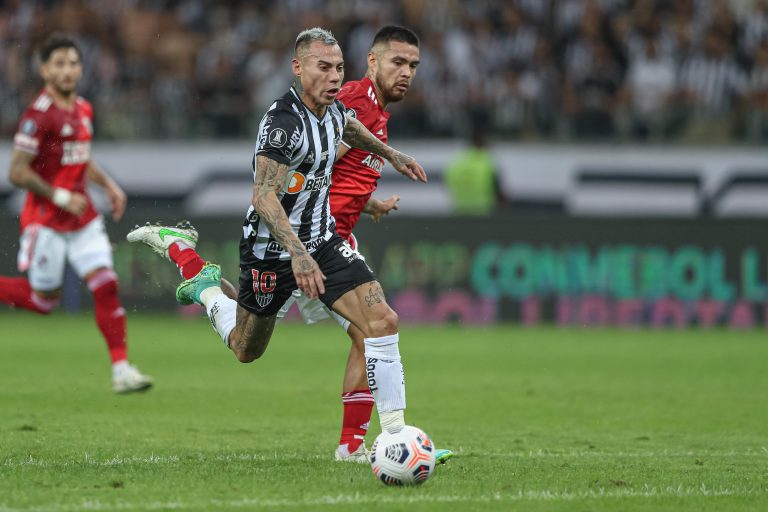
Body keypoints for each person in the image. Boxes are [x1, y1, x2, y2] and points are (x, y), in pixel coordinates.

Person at [127, 27, 435, 458]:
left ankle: (390, 439)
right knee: (245, 349)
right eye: (323, 67)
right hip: (271, 251)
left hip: (324, 240)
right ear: (298, 67)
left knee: (381, 322)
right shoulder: (282, 125)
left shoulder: (334, 110)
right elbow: (263, 196)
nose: (333, 77)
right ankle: (198, 276)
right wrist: (298, 255)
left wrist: (392, 155)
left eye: (338, 68)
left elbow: (348, 127)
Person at [0, 35, 152, 394]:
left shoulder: (83, 108)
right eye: (59, 64)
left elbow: (80, 159)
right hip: (46, 220)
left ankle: (121, 370)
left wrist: (108, 185)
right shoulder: (37, 117)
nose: (67, 71)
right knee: (43, 301)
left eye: (73, 63)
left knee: (106, 284)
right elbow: (16, 172)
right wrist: (59, 195)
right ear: (44, 70)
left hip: (82, 218)